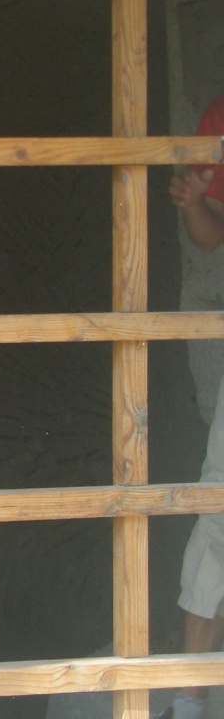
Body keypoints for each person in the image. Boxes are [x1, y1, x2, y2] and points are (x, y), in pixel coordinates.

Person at [161, 93, 224, 719]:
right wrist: (196, 203)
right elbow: (211, 238)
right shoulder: (221, 116)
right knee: (220, 510)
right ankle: (190, 701)